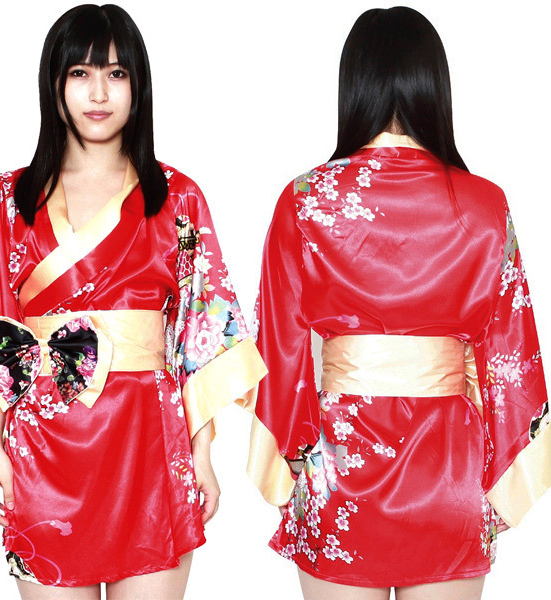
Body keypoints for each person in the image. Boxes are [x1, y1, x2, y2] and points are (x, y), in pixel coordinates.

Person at [0, 4, 266, 598]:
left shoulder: (177, 196)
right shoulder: (8, 197)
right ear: (54, 84)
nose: (99, 93)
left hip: (149, 444)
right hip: (42, 447)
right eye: (81, 73)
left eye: (116, 74)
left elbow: (200, 331)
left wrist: (202, 452)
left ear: (138, 85)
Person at [247, 6, 549, 600]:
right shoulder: (486, 204)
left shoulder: (305, 199)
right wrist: (502, 475)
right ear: (433, 85)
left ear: (354, 85)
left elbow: (280, 344)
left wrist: (294, 458)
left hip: (340, 464)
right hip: (449, 470)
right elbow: (510, 352)